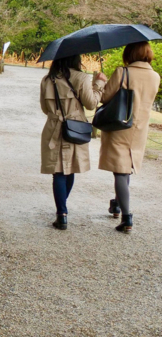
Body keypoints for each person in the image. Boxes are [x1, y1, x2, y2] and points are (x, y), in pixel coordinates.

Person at [99, 42, 161, 233]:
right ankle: (117, 204)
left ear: (129, 53)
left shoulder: (122, 72)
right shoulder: (155, 76)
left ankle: (127, 217)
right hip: (140, 128)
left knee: (120, 171)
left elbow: (105, 97)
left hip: (120, 125)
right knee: (126, 167)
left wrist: (100, 81)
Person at [40, 55, 106, 229]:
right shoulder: (81, 77)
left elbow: (44, 108)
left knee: (58, 171)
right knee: (70, 169)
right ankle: (62, 208)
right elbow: (91, 104)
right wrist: (99, 84)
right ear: (75, 59)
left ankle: (61, 213)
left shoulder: (47, 79)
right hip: (74, 127)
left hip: (53, 127)